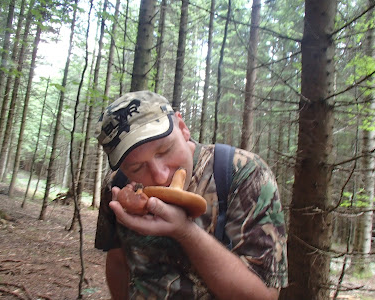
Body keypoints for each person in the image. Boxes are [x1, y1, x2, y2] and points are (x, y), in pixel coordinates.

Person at [94, 90, 288, 300]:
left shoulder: (244, 174)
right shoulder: (118, 187)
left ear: (183, 128)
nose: (160, 176)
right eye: (137, 167)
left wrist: (185, 231)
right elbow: (118, 261)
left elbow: (265, 295)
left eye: (164, 150)